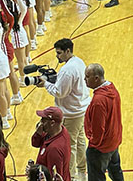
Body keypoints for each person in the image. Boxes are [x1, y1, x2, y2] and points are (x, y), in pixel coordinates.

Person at [42, 39, 89, 180]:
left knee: (70, 146)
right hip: (81, 110)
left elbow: (60, 92)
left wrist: (45, 83)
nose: (57, 56)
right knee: (80, 142)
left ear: (68, 51)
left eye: (59, 53)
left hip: (71, 113)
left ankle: (72, 176)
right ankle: (82, 172)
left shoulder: (67, 70)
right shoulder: (79, 62)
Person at [83, 64, 122, 181]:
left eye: (87, 76)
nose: (84, 79)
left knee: (96, 177)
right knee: (116, 172)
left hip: (101, 147)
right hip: (114, 141)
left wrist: (94, 146)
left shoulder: (98, 101)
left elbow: (98, 128)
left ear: (96, 78)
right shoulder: (112, 89)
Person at [29, 107, 71, 181]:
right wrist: (38, 134)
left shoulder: (54, 149)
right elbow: (35, 143)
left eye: (43, 120)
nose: (40, 123)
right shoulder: (57, 131)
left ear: (52, 123)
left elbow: (53, 177)